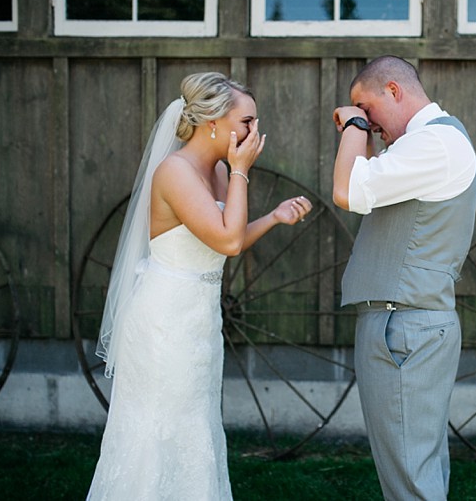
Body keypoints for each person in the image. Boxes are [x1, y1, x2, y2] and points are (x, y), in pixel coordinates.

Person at [86, 72, 312, 501]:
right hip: (164, 323)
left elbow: (228, 241)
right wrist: (244, 171)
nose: (254, 132)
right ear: (214, 122)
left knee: (196, 428)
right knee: (158, 432)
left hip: (200, 321)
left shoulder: (220, 170)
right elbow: (227, 238)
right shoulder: (176, 171)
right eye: (247, 121)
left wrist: (274, 217)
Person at [332, 56, 476, 500]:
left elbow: (347, 191)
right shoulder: (427, 144)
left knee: (411, 481)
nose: (368, 121)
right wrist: (362, 127)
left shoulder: (435, 143)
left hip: (405, 331)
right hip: (407, 326)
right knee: (416, 471)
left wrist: (352, 127)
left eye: (367, 107)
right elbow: (370, 182)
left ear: (394, 91)